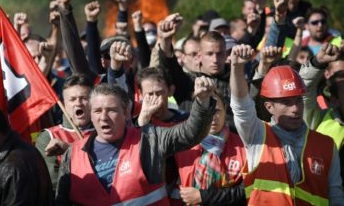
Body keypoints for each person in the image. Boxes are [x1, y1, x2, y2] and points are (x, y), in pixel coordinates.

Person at [56, 79, 216, 205]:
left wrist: (203, 101)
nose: (103, 117)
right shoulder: (73, 154)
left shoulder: (149, 140)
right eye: (97, 111)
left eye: (111, 110)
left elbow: (190, 133)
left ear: (126, 113)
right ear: (90, 114)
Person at [230, 44, 344, 205]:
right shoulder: (257, 135)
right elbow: (241, 106)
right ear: (269, 107)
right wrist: (236, 67)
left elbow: (336, 198)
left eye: (298, 100)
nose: (295, 109)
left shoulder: (326, 145)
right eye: (286, 102)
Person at [168, 93, 246, 206]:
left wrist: (203, 196)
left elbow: (246, 190)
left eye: (217, 111)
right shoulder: (180, 142)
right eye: (207, 112)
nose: (213, 117)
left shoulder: (242, 146)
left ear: (225, 110)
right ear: (197, 113)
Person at [35, 73, 95, 190]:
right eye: (72, 99)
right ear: (64, 104)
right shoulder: (48, 137)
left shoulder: (106, 129)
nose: (78, 103)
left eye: (84, 98)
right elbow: (54, 184)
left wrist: (70, 149)